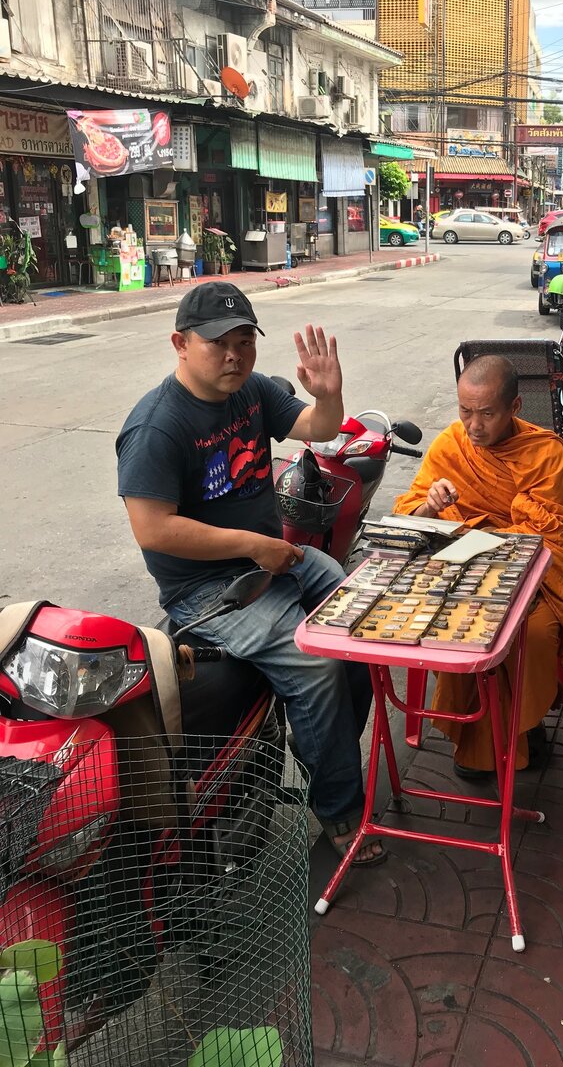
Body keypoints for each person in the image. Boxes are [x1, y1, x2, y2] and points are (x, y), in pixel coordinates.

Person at [116, 281, 384, 866]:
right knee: (315, 670)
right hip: (206, 591)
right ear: (180, 344)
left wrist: (330, 396)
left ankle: (322, 740)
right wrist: (253, 546)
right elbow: (153, 528)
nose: (234, 355)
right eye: (219, 344)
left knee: (364, 623)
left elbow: (317, 428)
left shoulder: (253, 393)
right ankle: (338, 814)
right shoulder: (157, 427)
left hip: (274, 558)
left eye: (244, 341)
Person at [393, 355, 563, 777]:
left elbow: (553, 533)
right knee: (452, 624)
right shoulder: (451, 445)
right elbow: (410, 519)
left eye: (486, 414)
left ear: (514, 409)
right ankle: (477, 728)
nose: (473, 426)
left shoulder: (545, 452)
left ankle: (524, 725)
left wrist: (514, 513)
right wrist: (431, 504)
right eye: (465, 412)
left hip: (536, 574)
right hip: (462, 570)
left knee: (532, 633)